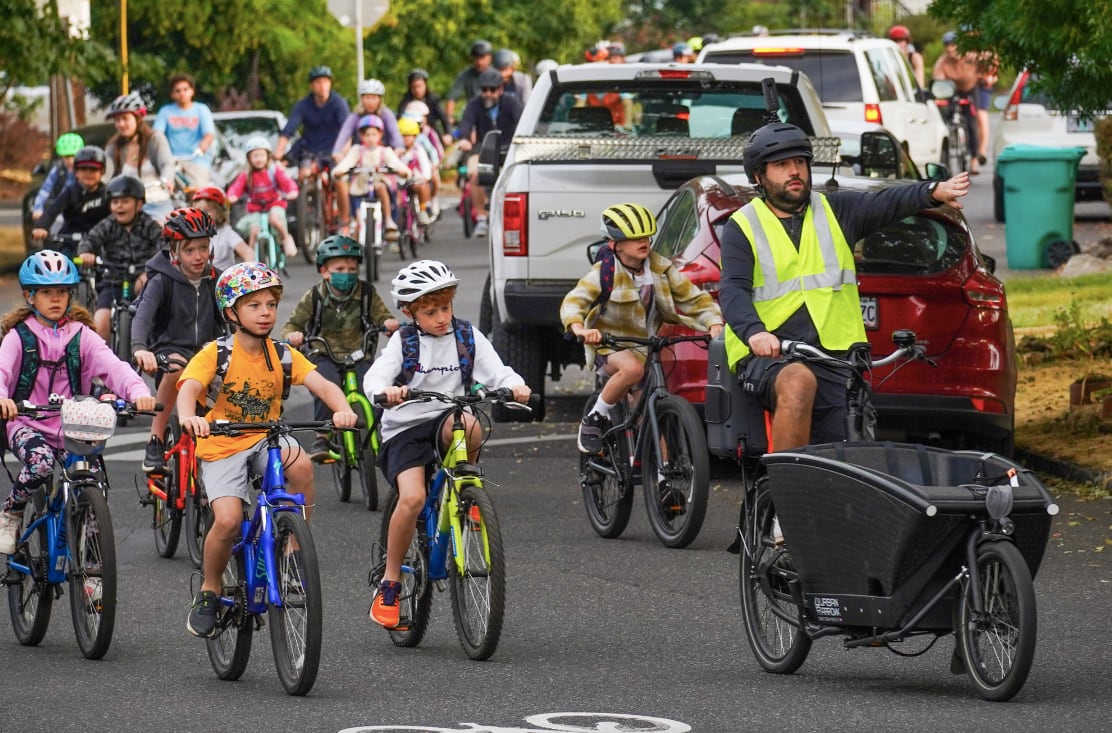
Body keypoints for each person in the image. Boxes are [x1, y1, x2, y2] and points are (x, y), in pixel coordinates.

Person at [718, 122, 970, 454]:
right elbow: (732, 290)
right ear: (758, 177)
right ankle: (789, 496)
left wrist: (932, 191)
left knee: (850, 455)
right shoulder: (743, 225)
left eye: (800, 162)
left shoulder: (835, 211)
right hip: (769, 354)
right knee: (798, 382)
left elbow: (886, 202)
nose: (795, 172)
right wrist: (754, 332)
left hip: (836, 357)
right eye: (782, 165)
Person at [177, 262, 357, 638]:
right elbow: (190, 388)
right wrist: (189, 417)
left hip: (267, 438)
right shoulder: (216, 353)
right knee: (226, 521)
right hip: (223, 442)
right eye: (254, 306)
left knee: (303, 466)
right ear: (232, 313)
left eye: (271, 305)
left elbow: (321, 384)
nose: (265, 313)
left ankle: (293, 549)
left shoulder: (283, 354)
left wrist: (342, 409)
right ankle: (210, 588)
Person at [363, 259, 531, 628]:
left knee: (470, 424)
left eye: (445, 307)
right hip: (405, 427)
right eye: (429, 311)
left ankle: (466, 487)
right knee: (412, 498)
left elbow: (497, 370)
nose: (441, 317)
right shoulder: (402, 342)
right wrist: (384, 392)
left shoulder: (467, 336)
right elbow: (375, 377)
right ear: (409, 312)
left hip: (445, 418)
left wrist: (515, 384)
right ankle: (391, 581)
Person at [0, 251, 157, 554]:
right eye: (46, 292)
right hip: (26, 422)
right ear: (30, 296)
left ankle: (93, 568)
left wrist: (138, 391)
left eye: (62, 292)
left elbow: (114, 367)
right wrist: (3, 398)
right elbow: (2, 370)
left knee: (94, 483)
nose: (55, 299)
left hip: (73, 425)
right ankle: (12, 512)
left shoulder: (81, 334)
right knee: (42, 464)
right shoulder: (18, 337)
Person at [560, 203, 725, 454]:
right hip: (609, 345)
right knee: (632, 369)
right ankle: (594, 419)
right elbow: (575, 301)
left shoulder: (660, 269)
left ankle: (662, 476)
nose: (643, 242)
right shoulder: (603, 273)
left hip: (646, 346)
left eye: (646, 236)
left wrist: (714, 322)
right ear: (616, 244)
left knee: (648, 420)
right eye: (634, 238)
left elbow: (693, 298)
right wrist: (580, 329)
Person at [281, 235, 399, 457]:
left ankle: (382, 432)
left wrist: (387, 323)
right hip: (323, 353)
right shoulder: (314, 296)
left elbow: (382, 316)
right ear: (324, 271)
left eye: (352, 269)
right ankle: (322, 438)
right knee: (326, 385)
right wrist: (294, 335)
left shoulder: (366, 293)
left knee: (373, 385)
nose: (347, 274)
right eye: (340, 269)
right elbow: (291, 325)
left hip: (358, 353)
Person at [132, 207, 224, 473]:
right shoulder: (161, 281)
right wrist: (140, 349)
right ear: (173, 251)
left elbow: (235, 315)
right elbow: (142, 318)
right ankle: (156, 439)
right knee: (177, 369)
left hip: (207, 351)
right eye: (189, 250)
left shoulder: (217, 279)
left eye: (203, 248)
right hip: (170, 350)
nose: (198, 256)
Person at [76, 175, 162, 341]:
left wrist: (150, 271)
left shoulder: (149, 225)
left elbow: (163, 247)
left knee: (153, 312)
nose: (119, 206)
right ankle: (103, 362)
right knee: (100, 322)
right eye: (115, 202)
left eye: (125, 201)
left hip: (141, 279)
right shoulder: (107, 225)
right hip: (112, 282)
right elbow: (90, 240)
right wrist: (86, 253)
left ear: (139, 204)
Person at [274, 66, 351, 227]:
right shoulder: (303, 105)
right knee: (304, 175)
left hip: (334, 150)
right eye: (317, 82)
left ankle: (345, 221)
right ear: (311, 86)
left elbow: (347, 131)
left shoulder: (339, 103)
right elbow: (289, 129)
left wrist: (343, 152)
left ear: (330, 84)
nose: (322, 86)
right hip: (310, 150)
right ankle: (309, 210)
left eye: (325, 82)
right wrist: (278, 151)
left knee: (339, 180)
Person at [456, 68, 524, 238]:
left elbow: (522, 123)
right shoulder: (474, 104)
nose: (487, 94)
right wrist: (464, 138)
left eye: (492, 90)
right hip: (483, 148)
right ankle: (481, 218)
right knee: (474, 173)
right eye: (484, 90)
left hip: (510, 149)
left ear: (500, 89)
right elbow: (466, 123)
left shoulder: (512, 103)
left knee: (521, 177)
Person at [332, 114, 410, 243]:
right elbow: (347, 163)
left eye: (374, 134)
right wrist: (339, 172)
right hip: (361, 188)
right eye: (367, 135)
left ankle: (388, 219)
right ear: (361, 136)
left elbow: (396, 164)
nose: (370, 138)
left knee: (380, 186)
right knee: (358, 219)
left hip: (379, 187)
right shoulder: (357, 150)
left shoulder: (385, 151)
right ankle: (359, 242)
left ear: (380, 135)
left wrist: (404, 171)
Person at [104, 92, 177, 220]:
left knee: (164, 232)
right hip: (127, 207)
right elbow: (106, 175)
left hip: (156, 202)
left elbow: (167, 164)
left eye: (125, 118)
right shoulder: (113, 146)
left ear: (138, 118)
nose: (120, 124)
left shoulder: (155, 139)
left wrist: (167, 179)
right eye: (117, 120)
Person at [225, 136, 299, 260]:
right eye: (255, 156)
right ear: (249, 159)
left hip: (275, 204)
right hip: (256, 208)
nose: (258, 159)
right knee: (254, 231)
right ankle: (251, 257)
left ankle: (286, 238)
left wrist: (291, 191)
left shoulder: (274, 170)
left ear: (268, 156)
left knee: (274, 219)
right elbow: (237, 186)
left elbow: (287, 182)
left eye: (261, 155)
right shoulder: (247, 174)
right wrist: (232, 196)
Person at [31, 145, 110, 257]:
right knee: (62, 265)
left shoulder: (107, 194)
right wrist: (41, 226)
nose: (88, 174)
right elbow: (53, 210)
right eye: (83, 169)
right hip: (71, 242)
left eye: (93, 169)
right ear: (76, 172)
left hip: (99, 244)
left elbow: (115, 217)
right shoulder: (71, 191)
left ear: (102, 172)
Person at [152, 73, 217, 186]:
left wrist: (202, 148)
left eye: (185, 89)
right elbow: (157, 134)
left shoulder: (201, 109)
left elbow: (209, 134)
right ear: (172, 94)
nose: (182, 93)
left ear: (192, 91)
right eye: (177, 91)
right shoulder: (166, 111)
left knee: (198, 191)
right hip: (171, 161)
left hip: (196, 160)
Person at [933, 30, 983, 173]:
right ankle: (947, 155)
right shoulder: (942, 61)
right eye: (947, 45)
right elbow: (938, 77)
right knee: (946, 119)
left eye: (953, 45)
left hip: (970, 90)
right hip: (952, 92)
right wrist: (939, 89)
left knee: (972, 124)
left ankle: (974, 159)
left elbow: (986, 64)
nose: (950, 49)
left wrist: (985, 77)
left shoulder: (970, 56)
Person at [190, 186, 254, 271]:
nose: (202, 215)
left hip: (225, 280)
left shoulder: (226, 232)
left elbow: (247, 252)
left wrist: (249, 270)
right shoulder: (191, 234)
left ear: (219, 212)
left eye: (207, 210)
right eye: (198, 211)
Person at [31, 132, 85, 225]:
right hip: (60, 214)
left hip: (81, 213)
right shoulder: (58, 170)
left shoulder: (87, 170)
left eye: (74, 156)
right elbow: (45, 190)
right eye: (67, 157)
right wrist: (38, 208)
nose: (70, 160)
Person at [445, 40, 493, 127]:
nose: (479, 62)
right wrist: (448, 118)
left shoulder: (496, 75)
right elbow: (452, 97)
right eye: (476, 58)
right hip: (473, 115)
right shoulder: (466, 75)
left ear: (489, 58)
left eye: (482, 58)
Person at [397, 117, 435, 224]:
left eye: (409, 135)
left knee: (422, 186)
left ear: (415, 136)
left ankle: (424, 209)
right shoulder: (396, 150)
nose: (406, 138)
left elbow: (425, 164)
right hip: (399, 182)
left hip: (414, 179)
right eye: (403, 135)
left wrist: (426, 176)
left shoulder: (418, 149)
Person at [397, 68, 452, 143]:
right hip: (410, 136)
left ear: (425, 85)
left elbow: (444, 119)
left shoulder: (433, 99)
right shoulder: (405, 101)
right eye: (414, 87)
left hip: (431, 133)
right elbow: (399, 118)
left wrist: (448, 134)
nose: (417, 90)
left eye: (420, 86)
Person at [888, 24, 925, 88]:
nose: (897, 44)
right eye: (895, 41)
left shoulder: (915, 58)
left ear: (907, 42)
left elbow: (920, 83)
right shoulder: (887, 58)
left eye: (900, 40)